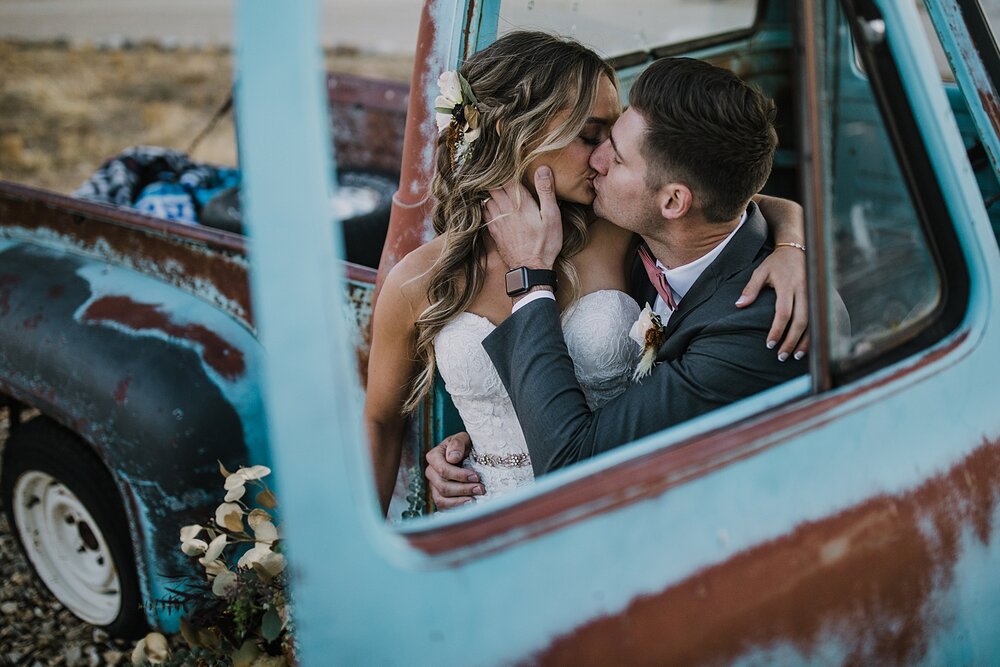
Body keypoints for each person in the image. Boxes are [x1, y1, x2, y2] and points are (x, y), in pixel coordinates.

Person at [367, 34, 807, 515]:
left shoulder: (617, 231)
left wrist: (791, 244)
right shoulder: (421, 278)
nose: (601, 158)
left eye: (610, 143)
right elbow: (381, 422)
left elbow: (715, 202)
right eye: (591, 135)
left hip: (607, 506)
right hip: (480, 513)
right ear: (517, 132)